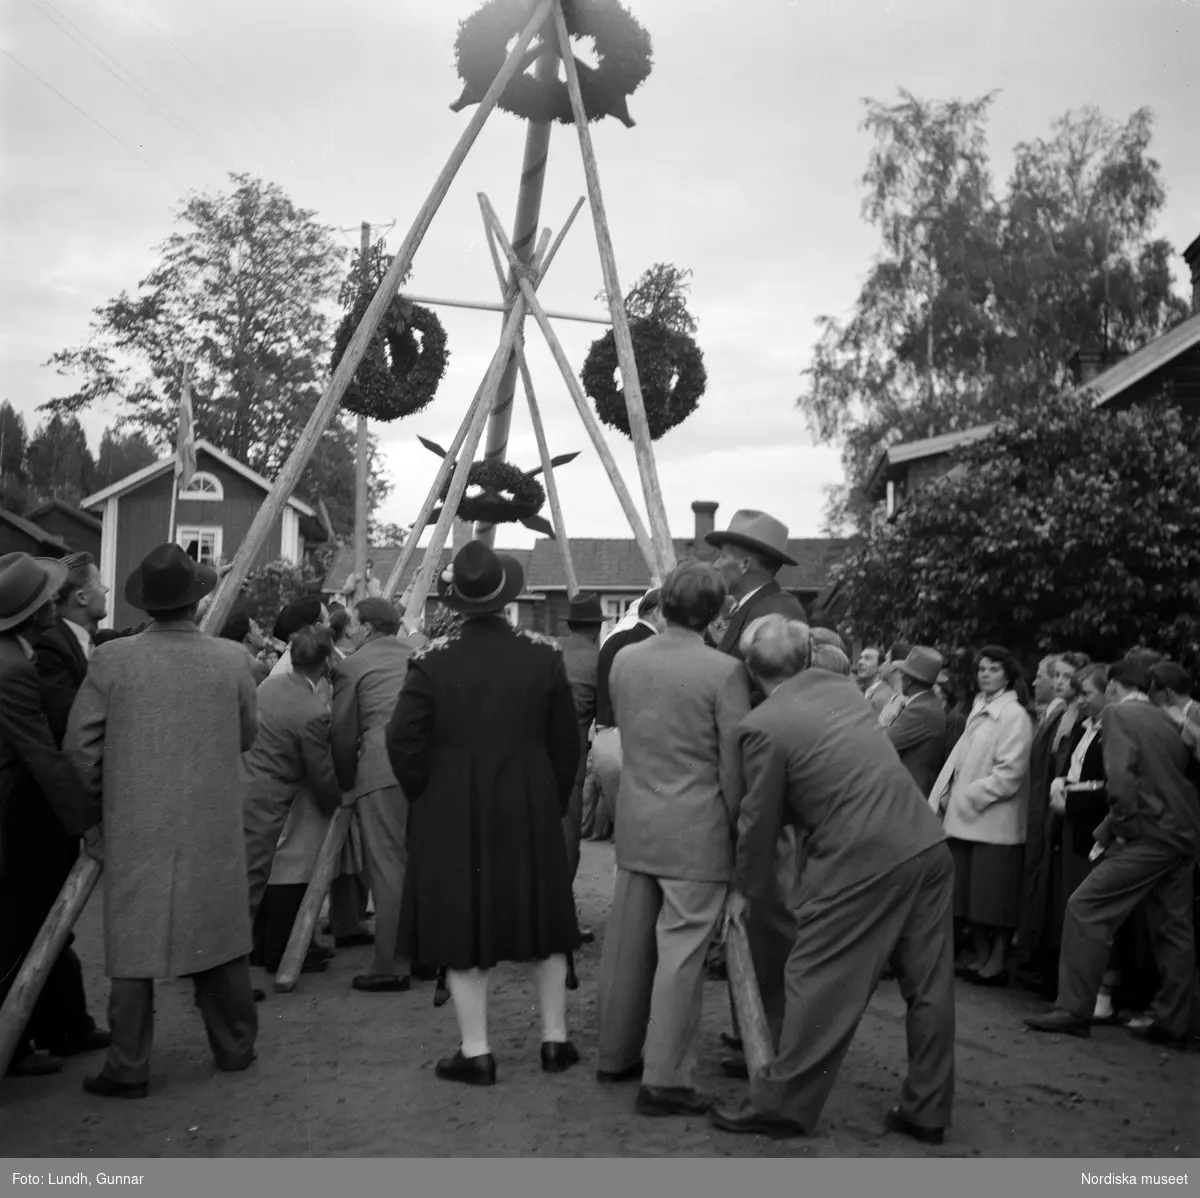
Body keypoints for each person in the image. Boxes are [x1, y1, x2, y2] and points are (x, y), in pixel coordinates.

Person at [708, 616, 954, 1143]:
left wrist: (739, 892)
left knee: (814, 974)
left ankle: (784, 1106)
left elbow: (759, 823)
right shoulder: (842, 690)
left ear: (750, 671)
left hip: (861, 858)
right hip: (926, 844)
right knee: (928, 985)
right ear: (806, 658)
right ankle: (927, 1109)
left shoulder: (763, 726)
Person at [65, 543, 258, 1098]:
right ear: (198, 600)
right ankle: (235, 1047)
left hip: (134, 825)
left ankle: (128, 1066)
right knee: (218, 939)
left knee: (133, 946)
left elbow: (79, 749)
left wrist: (103, 809)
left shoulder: (113, 659)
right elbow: (247, 736)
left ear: (146, 603)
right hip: (212, 821)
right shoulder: (232, 659)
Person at [386, 542, 581, 1085]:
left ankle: (477, 1052)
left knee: (464, 921)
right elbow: (567, 744)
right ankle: (555, 1042)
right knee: (544, 919)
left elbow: (401, 740)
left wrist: (429, 793)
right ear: (506, 597)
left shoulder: (430, 660)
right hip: (531, 801)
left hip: (453, 808)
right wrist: (551, 797)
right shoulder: (545, 655)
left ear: (460, 600)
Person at [596, 563, 751, 1118]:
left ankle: (614, 1053)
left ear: (664, 604)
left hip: (639, 819)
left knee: (628, 944)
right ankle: (665, 1079)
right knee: (681, 954)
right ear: (715, 613)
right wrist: (740, 830)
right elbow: (733, 766)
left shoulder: (627, 659)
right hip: (696, 829)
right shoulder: (725, 671)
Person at [1025, 658, 1199, 1048]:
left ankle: (1073, 1009)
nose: (1088, 699)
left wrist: (1116, 830)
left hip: (1149, 834)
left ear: (1115, 687)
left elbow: (1120, 782)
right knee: (1174, 928)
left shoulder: (1119, 714)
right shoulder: (1166, 717)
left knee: (1086, 907)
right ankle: (1174, 1021)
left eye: (1092, 692)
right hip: (1183, 832)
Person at [704, 510, 806, 1057]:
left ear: (745, 562)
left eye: (723, 555)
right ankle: (755, 1027)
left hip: (766, 768)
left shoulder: (776, 613)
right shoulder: (747, 608)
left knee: (768, 909)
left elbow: (769, 692)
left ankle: (775, 1034)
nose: (717, 562)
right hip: (751, 761)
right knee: (758, 906)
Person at [0, 553, 101, 1078]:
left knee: (36, 922)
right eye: (48, 597)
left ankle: (64, 1027)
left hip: (25, 811)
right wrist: (86, 819)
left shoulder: (15, 654)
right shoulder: (16, 669)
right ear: (36, 612)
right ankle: (15, 1043)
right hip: (18, 815)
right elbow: (39, 753)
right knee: (23, 926)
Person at [929, 645, 1033, 986]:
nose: (985, 675)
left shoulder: (1013, 715)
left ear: (1008, 674)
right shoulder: (980, 709)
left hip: (993, 821)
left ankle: (997, 961)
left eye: (993, 669)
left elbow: (1010, 773)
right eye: (982, 669)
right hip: (965, 818)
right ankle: (982, 955)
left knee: (994, 899)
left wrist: (969, 795)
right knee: (969, 897)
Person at [331, 597, 416, 993]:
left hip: (381, 768)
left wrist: (346, 784)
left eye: (355, 624)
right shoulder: (422, 652)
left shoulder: (352, 665)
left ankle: (390, 964)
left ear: (367, 627)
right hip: (430, 767)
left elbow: (343, 737)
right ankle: (427, 954)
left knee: (387, 866)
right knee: (422, 863)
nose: (352, 631)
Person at [249, 628, 344, 975]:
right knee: (293, 865)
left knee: (264, 867)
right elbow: (320, 771)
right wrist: (336, 801)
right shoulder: (311, 711)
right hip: (277, 790)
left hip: (251, 781)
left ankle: (262, 946)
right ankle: (279, 949)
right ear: (325, 661)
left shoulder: (270, 686)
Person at [591, 589, 662, 842]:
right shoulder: (656, 646)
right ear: (657, 613)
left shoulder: (611, 640)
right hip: (635, 742)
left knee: (623, 827)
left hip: (604, 739)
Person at [556, 593, 603, 951]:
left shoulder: (550, 651)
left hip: (531, 754)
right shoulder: (596, 660)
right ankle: (560, 920)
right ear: (596, 628)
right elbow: (607, 714)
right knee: (567, 839)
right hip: (569, 756)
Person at [885, 647, 948, 798]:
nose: (901, 678)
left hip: (910, 794)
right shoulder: (925, 703)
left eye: (903, 674)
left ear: (910, 679)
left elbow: (884, 742)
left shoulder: (921, 709)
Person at [220, 609, 270, 685]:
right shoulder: (255, 670)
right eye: (257, 627)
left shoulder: (232, 665)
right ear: (249, 637)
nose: (261, 631)